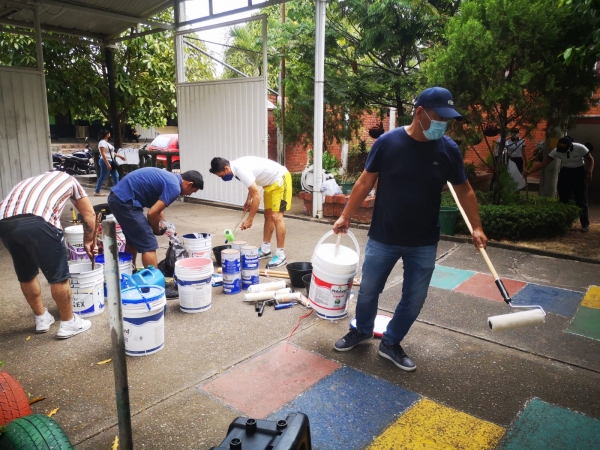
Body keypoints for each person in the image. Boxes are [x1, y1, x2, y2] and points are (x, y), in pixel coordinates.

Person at [332, 87, 488, 371]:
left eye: (448, 120)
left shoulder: (448, 149)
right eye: (440, 117)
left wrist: (476, 227)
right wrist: (345, 216)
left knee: (414, 298)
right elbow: (365, 183)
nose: (445, 124)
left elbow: (465, 190)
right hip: (384, 235)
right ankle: (363, 329)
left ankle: (390, 343)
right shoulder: (388, 143)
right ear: (420, 113)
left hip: (424, 240)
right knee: (368, 290)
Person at [0, 171, 97, 338]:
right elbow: (89, 214)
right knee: (58, 275)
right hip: (38, 220)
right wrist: (88, 241)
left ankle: (41, 318)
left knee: (26, 273)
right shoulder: (69, 179)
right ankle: (69, 322)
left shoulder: (28, 181)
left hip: (5, 223)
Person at [108, 167, 204, 268]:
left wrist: (167, 227)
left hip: (118, 198)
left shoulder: (170, 178)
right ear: (189, 184)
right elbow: (152, 213)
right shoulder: (175, 187)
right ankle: (154, 281)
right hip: (125, 201)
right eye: (192, 191)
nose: (189, 194)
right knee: (149, 244)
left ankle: (128, 272)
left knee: (132, 241)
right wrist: (156, 230)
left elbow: (157, 208)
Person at [209, 156, 292, 269]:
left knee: (276, 216)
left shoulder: (240, 170)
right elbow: (252, 183)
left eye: (222, 175)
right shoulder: (236, 169)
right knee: (268, 215)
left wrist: (250, 219)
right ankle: (265, 249)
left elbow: (257, 196)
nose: (222, 178)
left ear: (226, 169)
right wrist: (248, 200)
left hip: (280, 180)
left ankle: (281, 254)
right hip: (269, 184)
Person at [523, 137, 594, 232]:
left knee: (581, 199)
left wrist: (589, 172)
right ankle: (566, 222)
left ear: (570, 146)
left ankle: (585, 224)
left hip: (579, 172)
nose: (562, 152)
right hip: (565, 172)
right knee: (564, 198)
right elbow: (543, 164)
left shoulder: (580, 148)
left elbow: (591, 160)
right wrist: (529, 172)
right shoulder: (556, 150)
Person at [94, 129, 125, 197]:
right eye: (109, 133)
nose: (110, 134)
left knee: (115, 175)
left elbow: (111, 153)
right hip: (105, 161)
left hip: (110, 161)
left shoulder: (106, 143)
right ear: (107, 134)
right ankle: (97, 191)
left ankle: (117, 191)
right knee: (103, 176)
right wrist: (107, 163)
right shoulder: (102, 142)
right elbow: (103, 153)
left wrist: (120, 156)